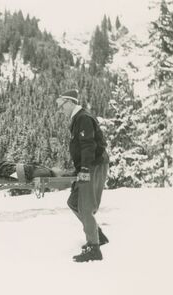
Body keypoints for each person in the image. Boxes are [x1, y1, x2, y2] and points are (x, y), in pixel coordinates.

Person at [55, 89, 109, 262]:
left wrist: (84, 169)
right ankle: (98, 235)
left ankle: (94, 248)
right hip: (87, 166)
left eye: (61, 105)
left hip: (93, 166)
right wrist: (79, 169)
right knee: (73, 202)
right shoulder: (77, 119)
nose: (60, 109)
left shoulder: (83, 118)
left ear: (70, 102)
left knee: (85, 206)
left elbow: (88, 146)